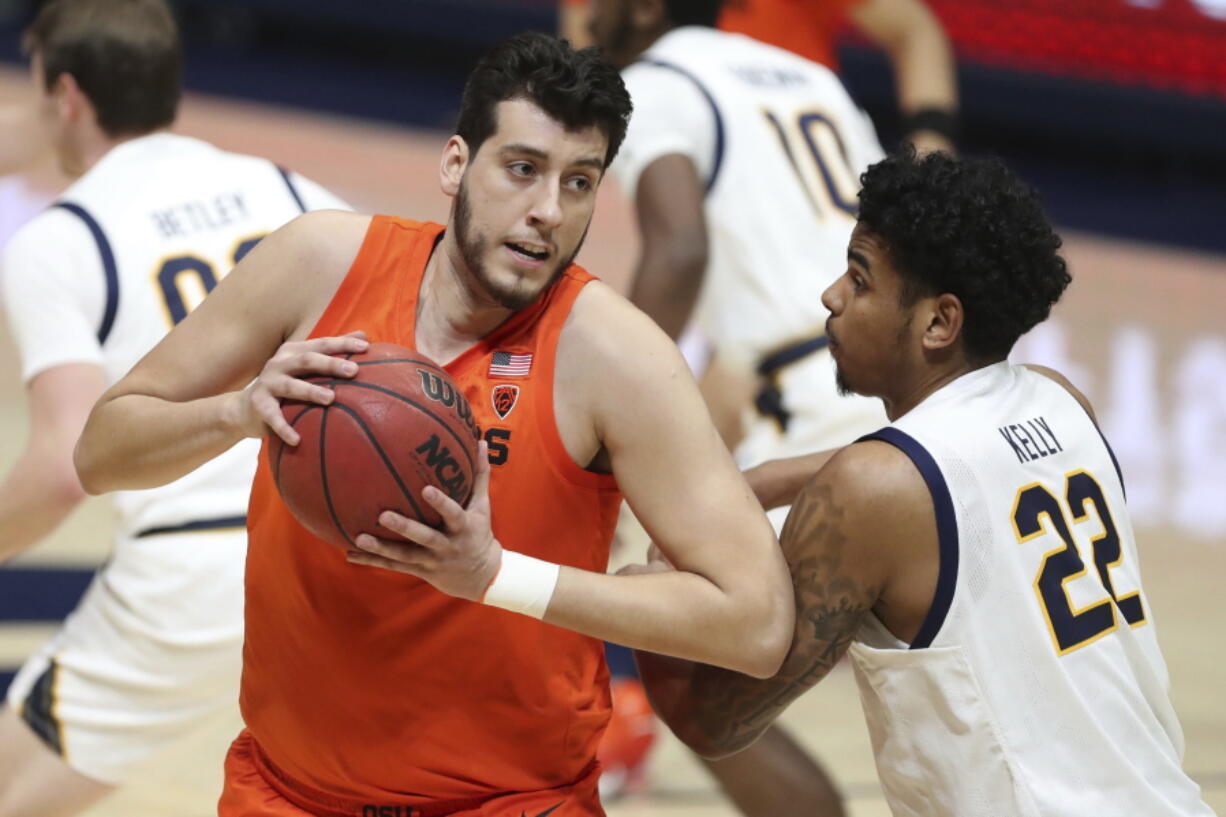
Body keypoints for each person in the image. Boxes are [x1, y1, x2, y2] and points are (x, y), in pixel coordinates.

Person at [73, 32, 795, 817]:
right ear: (456, 164)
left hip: (511, 801)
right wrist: (236, 411)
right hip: (284, 793)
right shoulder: (318, 264)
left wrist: (493, 574)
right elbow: (101, 451)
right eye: (523, 169)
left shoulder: (616, 356)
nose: (548, 210)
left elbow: (755, 621)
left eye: (579, 181)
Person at [627, 150, 1217, 817]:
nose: (831, 295)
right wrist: (768, 478)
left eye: (859, 278)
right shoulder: (1062, 402)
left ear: (939, 322)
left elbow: (713, 718)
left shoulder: (873, 491)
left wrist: (656, 598)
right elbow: (939, 463)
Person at [0, 1, 348, 814]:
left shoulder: (61, 239)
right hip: (330, 549)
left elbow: (61, 468)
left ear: (67, 97)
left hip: (190, 568)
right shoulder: (289, 186)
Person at [586, 0, 889, 812]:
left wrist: (601, 388)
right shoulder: (810, 77)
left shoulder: (658, 81)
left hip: (821, 405)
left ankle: (615, 722)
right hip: (906, 399)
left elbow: (679, 248)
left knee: (695, 686)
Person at [562, 0, 959, 154]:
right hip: (677, 143)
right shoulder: (659, 89)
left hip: (800, 147)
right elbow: (588, 65)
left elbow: (915, 30)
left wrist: (932, 141)